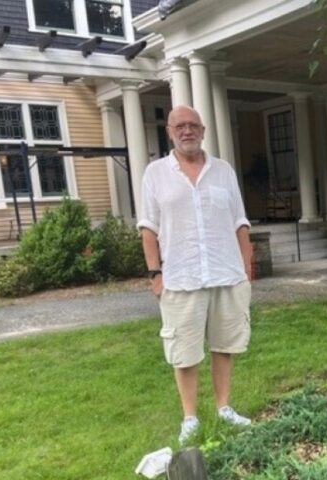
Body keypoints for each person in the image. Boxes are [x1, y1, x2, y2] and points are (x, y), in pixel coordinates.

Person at [137, 105, 253, 444]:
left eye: (193, 125)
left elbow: (239, 222)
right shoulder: (155, 173)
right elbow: (148, 228)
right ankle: (190, 417)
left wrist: (246, 270)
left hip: (226, 273)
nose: (187, 131)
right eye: (179, 126)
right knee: (183, 351)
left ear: (202, 131)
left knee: (225, 345)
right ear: (169, 133)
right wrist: (155, 275)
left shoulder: (224, 171)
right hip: (180, 277)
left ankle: (224, 408)